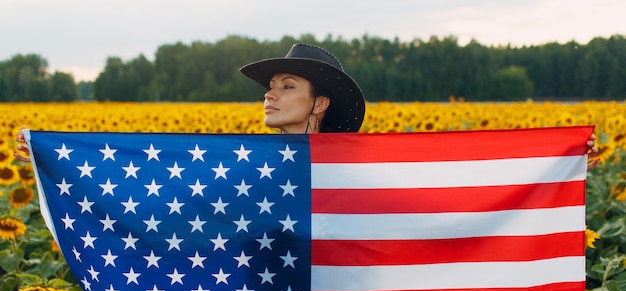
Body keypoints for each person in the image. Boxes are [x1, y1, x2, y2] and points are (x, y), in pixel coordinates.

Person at [15, 43, 598, 163]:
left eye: (287, 85)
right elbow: (152, 171)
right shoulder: (238, 160)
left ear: (320, 104)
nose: (269, 93)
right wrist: (53, 153)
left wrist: (562, 157)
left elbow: (444, 194)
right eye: (270, 86)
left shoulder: (360, 164)